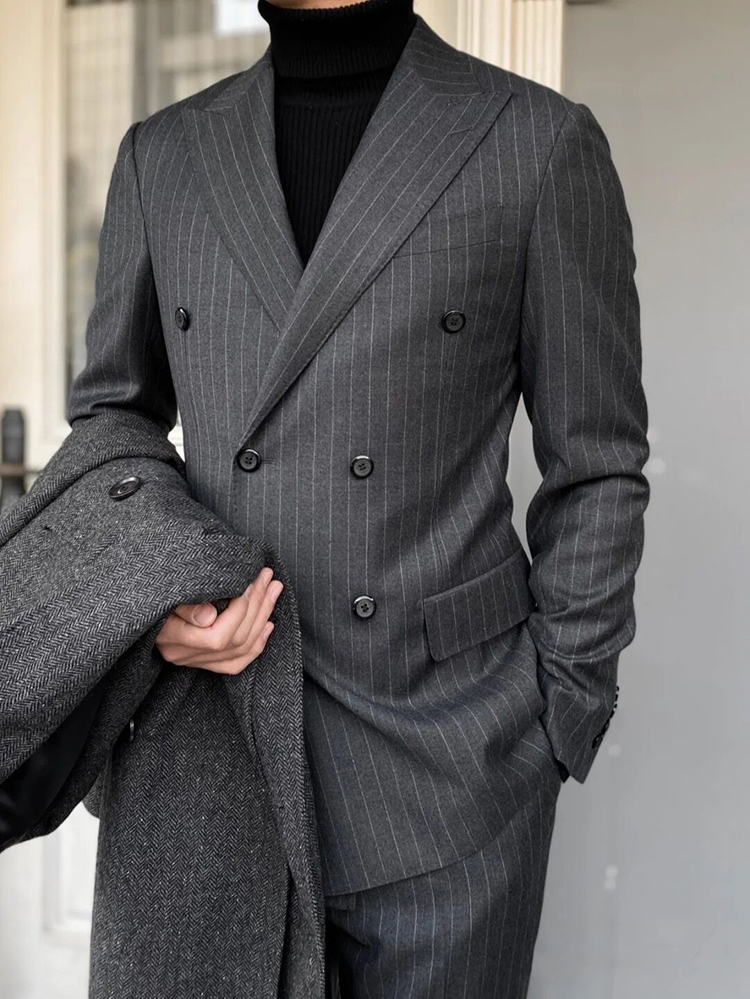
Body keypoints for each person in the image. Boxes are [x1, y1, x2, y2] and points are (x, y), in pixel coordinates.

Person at [62, 0, 651, 995]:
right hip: (213, 746)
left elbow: (597, 462)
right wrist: (151, 598)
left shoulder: (536, 143)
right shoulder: (163, 156)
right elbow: (113, 422)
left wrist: (561, 710)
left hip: (454, 767)